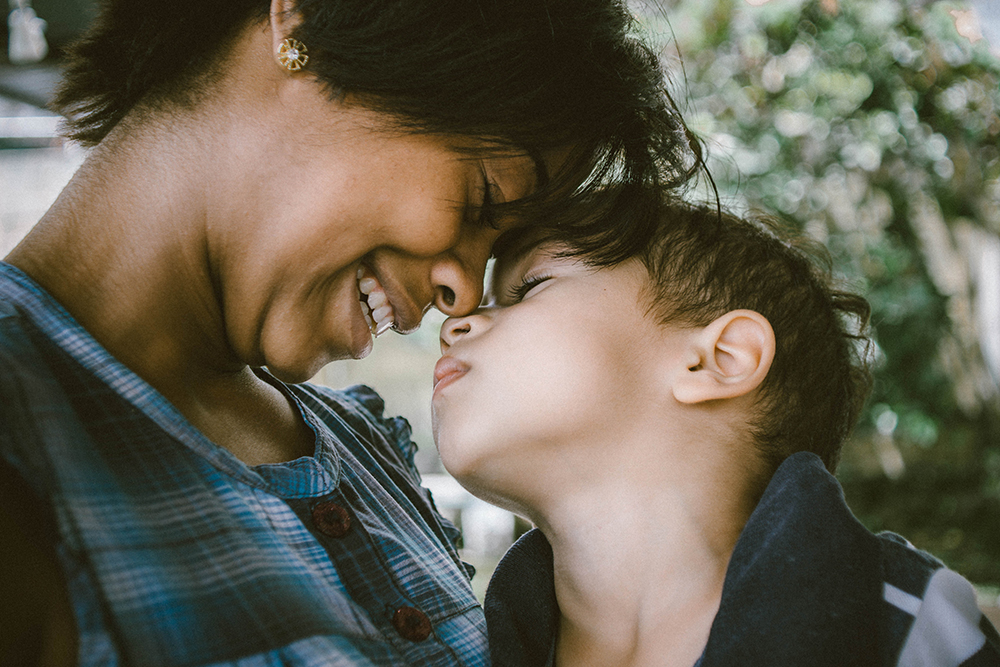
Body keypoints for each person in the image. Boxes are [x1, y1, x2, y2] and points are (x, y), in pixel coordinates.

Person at [0, 0, 702, 663]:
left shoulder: (366, 456)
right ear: (302, 22)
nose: (463, 290)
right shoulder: (22, 418)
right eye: (484, 194)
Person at [432, 197, 1000, 667]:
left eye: (529, 287)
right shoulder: (448, 647)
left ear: (718, 359)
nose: (454, 323)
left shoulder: (913, 628)